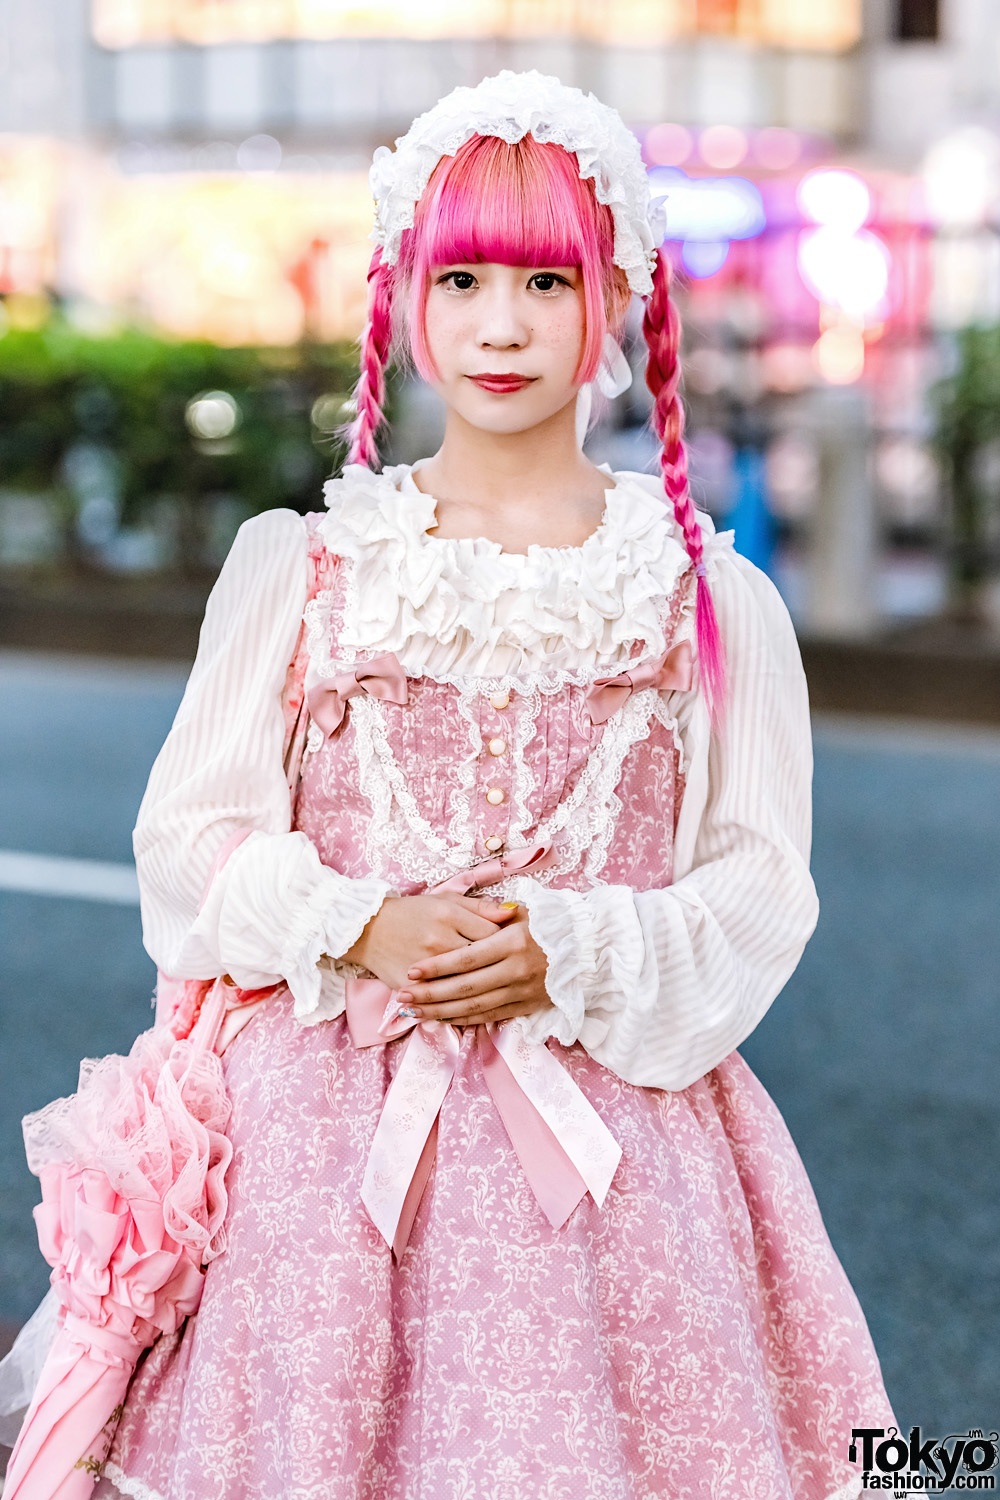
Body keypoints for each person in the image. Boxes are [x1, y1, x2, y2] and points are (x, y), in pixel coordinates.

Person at [12, 70, 894, 1500]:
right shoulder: (302, 566)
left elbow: (758, 886)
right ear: (404, 294)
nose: (499, 323)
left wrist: (571, 946)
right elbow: (184, 843)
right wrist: (363, 926)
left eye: (547, 280)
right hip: (316, 1148)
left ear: (616, 296)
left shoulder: (707, 599)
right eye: (462, 274)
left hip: (619, 1155)